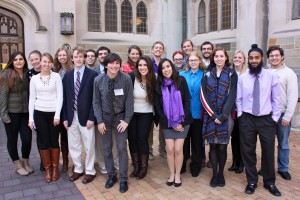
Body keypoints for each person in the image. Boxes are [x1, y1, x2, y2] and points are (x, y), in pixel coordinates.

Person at [236, 44, 281, 196]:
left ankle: (269, 182)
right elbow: (239, 98)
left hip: (266, 120)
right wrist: (241, 115)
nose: (254, 61)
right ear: (248, 60)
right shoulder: (242, 78)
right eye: (251, 58)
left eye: (256, 58)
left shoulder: (271, 76)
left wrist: (274, 117)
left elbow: (277, 98)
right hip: (247, 119)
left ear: (262, 59)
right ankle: (252, 181)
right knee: (248, 151)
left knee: (268, 151)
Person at [93, 53, 134, 193]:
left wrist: (127, 120)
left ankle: (123, 179)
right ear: (106, 65)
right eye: (111, 63)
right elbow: (96, 102)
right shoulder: (98, 80)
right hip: (105, 119)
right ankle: (111, 175)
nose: (115, 66)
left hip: (120, 119)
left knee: (122, 148)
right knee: (106, 148)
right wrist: (99, 121)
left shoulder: (126, 79)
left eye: (117, 63)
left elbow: (129, 101)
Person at [200, 47, 237, 187]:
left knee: (222, 147)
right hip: (211, 115)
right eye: (216, 56)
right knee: (213, 146)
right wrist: (213, 115)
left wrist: (223, 116)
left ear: (226, 58)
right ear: (213, 58)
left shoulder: (232, 74)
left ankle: (221, 174)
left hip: (226, 117)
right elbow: (203, 96)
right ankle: (214, 174)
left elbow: (232, 95)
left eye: (221, 56)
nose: (219, 58)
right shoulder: (207, 74)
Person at [154, 58, 193, 187]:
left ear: (172, 67)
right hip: (167, 122)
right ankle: (172, 174)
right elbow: (158, 107)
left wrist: (180, 123)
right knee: (169, 149)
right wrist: (170, 123)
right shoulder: (158, 84)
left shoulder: (181, 81)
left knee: (177, 149)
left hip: (182, 121)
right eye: (163, 68)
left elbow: (187, 101)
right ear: (161, 71)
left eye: (168, 66)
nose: (166, 70)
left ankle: (177, 175)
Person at [63, 46, 98, 184]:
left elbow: (96, 99)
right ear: (72, 58)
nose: (78, 59)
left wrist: (92, 117)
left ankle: (90, 170)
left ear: (84, 58)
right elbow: (64, 99)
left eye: (80, 56)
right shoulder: (67, 76)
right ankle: (78, 168)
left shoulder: (92, 75)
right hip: (72, 116)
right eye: (75, 56)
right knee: (74, 145)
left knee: (89, 144)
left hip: (87, 116)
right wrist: (65, 117)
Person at [28, 53, 63, 183]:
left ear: (52, 63)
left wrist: (57, 115)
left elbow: (60, 96)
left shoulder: (57, 76)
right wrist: (31, 118)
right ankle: (47, 169)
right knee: (43, 141)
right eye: (44, 62)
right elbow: (32, 99)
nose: (46, 64)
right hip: (39, 113)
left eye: (49, 62)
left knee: (54, 141)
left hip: (53, 113)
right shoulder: (34, 79)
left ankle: (55, 168)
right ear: (40, 63)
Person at [266, 46, 298, 180]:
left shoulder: (289, 73)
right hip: (267, 115)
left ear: (282, 56)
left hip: (283, 114)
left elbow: (293, 96)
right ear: (268, 58)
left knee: (283, 143)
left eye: (276, 55)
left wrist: (288, 116)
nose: (274, 58)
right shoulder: (265, 73)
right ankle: (267, 167)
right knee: (267, 143)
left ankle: (283, 168)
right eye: (271, 56)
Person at [0, 51, 33, 176]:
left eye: (21, 59)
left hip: (25, 113)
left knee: (27, 139)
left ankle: (25, 161)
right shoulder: (5, 74)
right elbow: (2, 96)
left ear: (24, 61)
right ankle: (17, 164)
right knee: (12, 140)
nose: (18, 61)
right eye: (15, 59)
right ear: (12, 62)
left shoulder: (26, 73)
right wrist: (3, 115)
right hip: (11, 113)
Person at [128, 56, 156, 180]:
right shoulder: (131, 77)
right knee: (132, 139)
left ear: (149, 66)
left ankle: (143, 167)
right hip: (132, 113)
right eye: (140, 65)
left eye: (145, 65)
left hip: (146, 112)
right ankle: (136, 165)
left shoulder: (154, 78)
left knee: (142, 139)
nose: (142, 67)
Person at [93, 47, 119, 174]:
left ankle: (115, 160)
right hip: (101, 113)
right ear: (98, 57)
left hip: (116, 113)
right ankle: (102, 162)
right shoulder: (94, 72)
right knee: (101, 141)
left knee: (114, 139)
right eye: (100, 54)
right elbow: (95, 99)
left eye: (105, 53)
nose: (103, 55)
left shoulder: (118, 72)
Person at [180, 51, 205, 177]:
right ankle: (182, 164)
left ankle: (196, 164)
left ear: (200, 61)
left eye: (195, 60)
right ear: (187, 62)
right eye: (191, 60)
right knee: (184, 141)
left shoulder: (205, 75)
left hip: (198, 113)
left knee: (197, 141)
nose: (193, 62)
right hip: (184, 114)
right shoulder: (181, 74)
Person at [53, 48, 73, 172]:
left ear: (68, 56)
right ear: (57, 57)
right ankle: (55, 160)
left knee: (66, 137)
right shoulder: (54, 70)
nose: (62, 57)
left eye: (64, 55)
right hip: (55, 107)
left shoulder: (71, 69)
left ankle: (66, 161)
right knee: (56, 135)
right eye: (60, 55)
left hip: (68, 106)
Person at [228, 50, 247, 174]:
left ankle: (242, 163)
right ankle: (235, 162)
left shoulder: (247, 74)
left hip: (244, 110)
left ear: (244, 60)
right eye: (235, 57)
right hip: (231, 110)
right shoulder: (229, 73)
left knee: (242, 138)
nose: (237, 59)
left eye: (240, 57)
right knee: (234, 138)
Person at [28, 50, 44, 172]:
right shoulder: (28, 74)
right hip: (36, 109)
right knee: (40, 137)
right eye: (32, 60)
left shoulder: (50, 72)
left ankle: (51, 160)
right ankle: (43, 160)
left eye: (36, 59)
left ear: (41, 58)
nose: (34, 62)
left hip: (50, 109)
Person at [149, 41, 166, 160]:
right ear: (152, 49)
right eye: (156, 48)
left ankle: (162, 149)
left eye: (160, 48)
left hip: (163, 98)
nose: (158, 49)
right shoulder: (148, 63)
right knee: (149, 126)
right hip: (150, 98)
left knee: (163, 124)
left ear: (163, 51)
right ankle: (149, 150)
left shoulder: (165, 63)